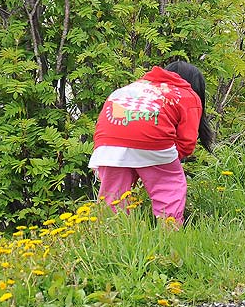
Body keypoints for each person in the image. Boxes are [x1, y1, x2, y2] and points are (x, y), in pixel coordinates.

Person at [88, 60, 215, 226]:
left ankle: (109, 240)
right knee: (169, 188)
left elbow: (109, 125)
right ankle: (169, 235)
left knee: (112, 198)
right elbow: (186, 144)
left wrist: (136, 162)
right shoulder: (186, 94)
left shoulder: (131, 88)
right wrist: (154, 163)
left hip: (107, 145)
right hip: (152, 141)